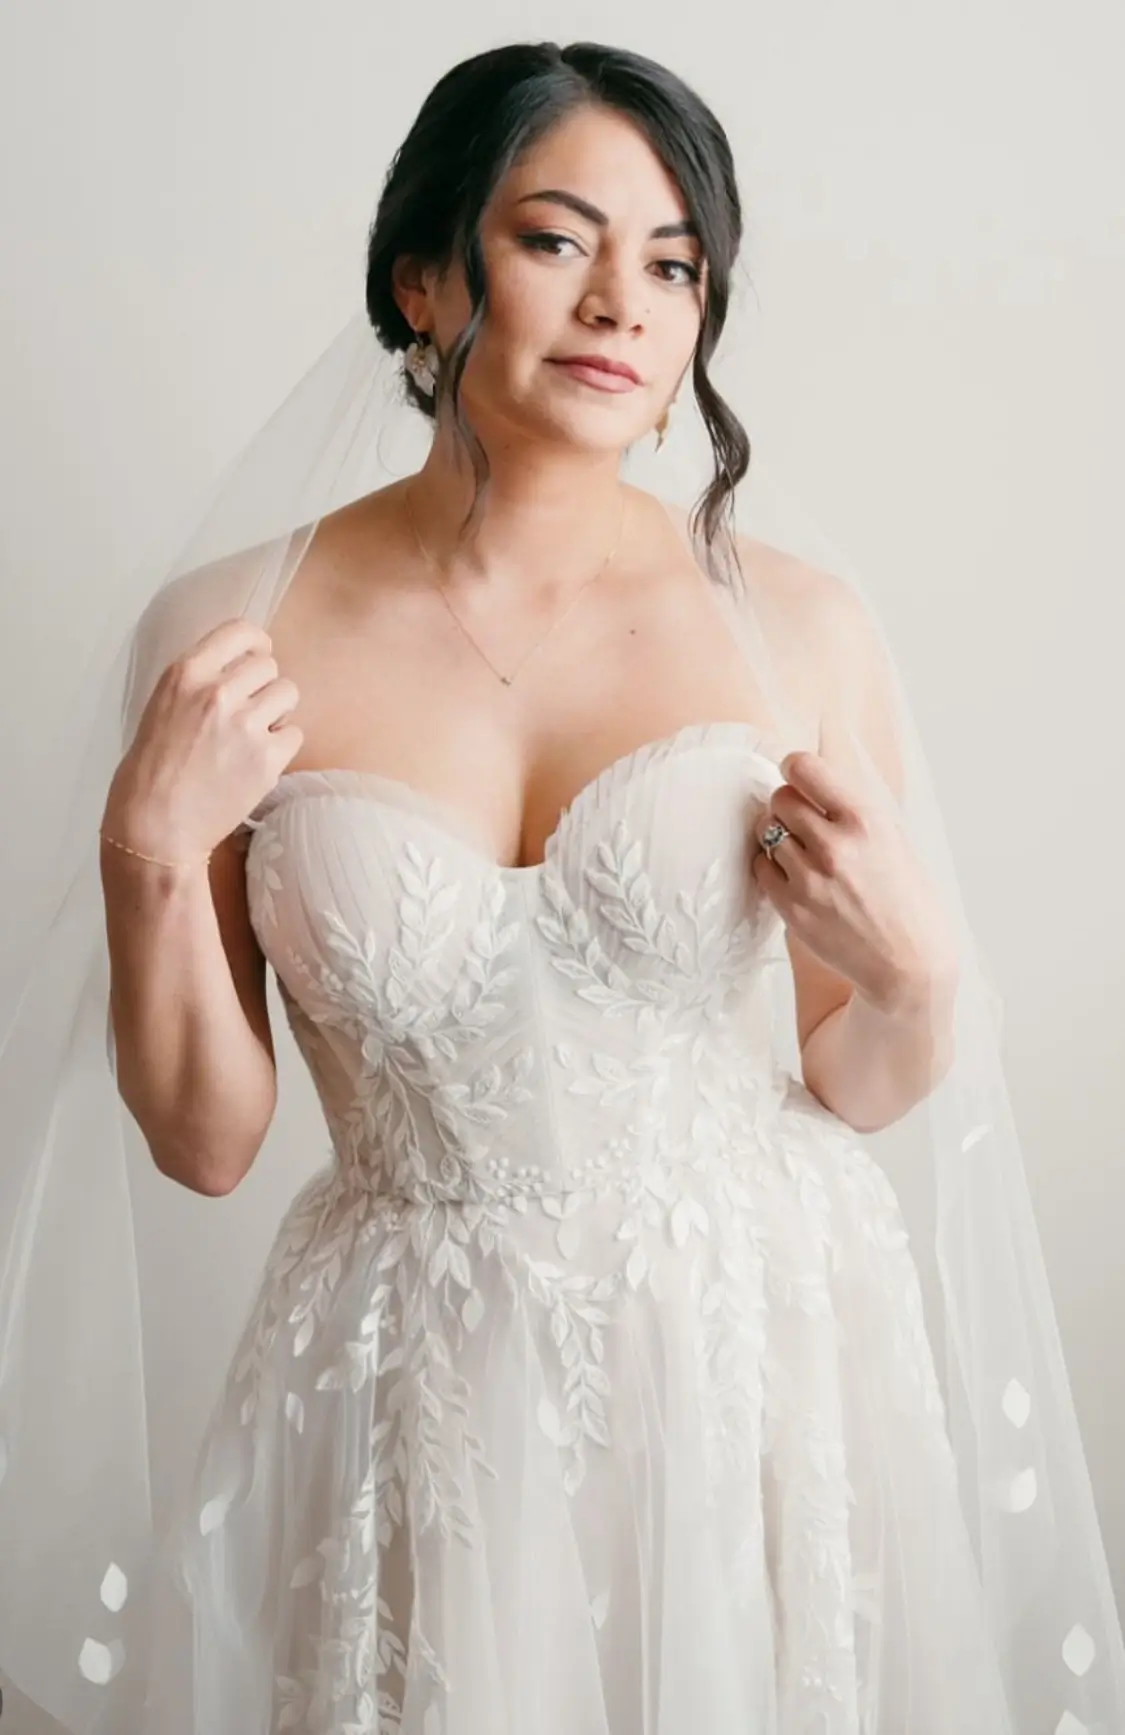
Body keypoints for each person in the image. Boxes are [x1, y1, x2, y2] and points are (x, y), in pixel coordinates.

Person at [2, 39, 1123, 1735]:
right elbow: (207, 1137)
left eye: (674, 266)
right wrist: (148, 854)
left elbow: (864, 1079)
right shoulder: (235, 630)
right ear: (422, 276)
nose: (623, 303)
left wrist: (914, 977)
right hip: (405, 1370)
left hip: (751, 1346)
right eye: (557, 240)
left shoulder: (795, 625)